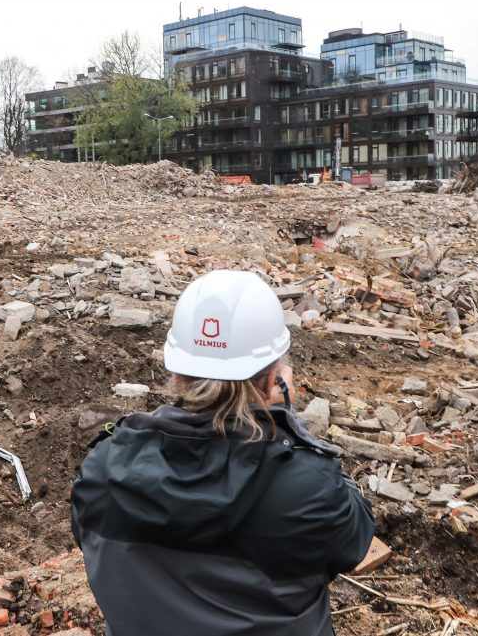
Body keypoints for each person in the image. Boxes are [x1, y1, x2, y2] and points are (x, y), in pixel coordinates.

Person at [71, 269, 375, 636]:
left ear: (177, 375)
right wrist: (287, 421)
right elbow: (355, 541)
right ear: (271, 379)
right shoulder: (308, 487)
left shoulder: (104, 470)